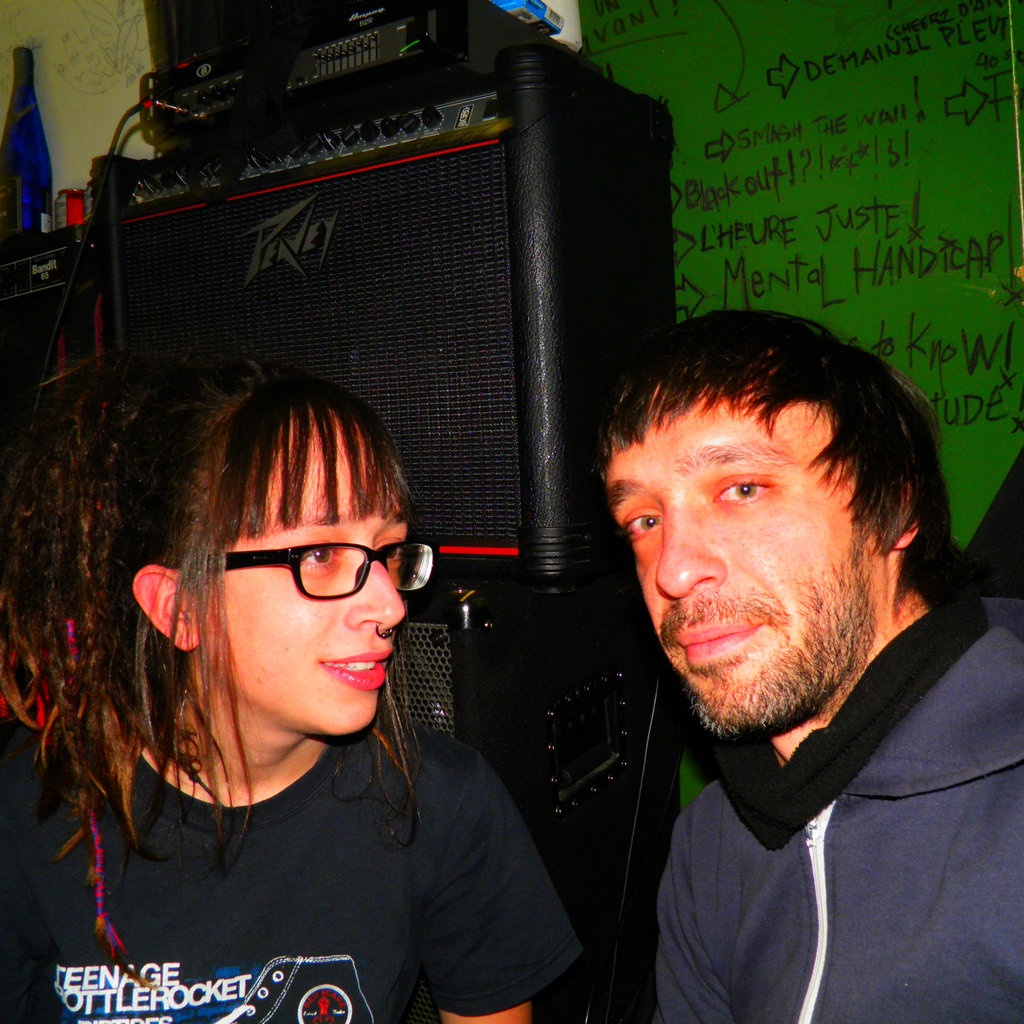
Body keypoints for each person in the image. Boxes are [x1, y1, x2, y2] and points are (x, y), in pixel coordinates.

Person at [0, 355, 580, 1024]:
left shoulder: (446, 806)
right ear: (178, 607)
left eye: (388, 551)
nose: (390, 605)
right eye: (320, 555)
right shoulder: (25, 811)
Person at [596, 309, 1024, 1023]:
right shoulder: (712, 842)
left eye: (741, 489)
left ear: (894, 505)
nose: (672, 570)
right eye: (644, 520)